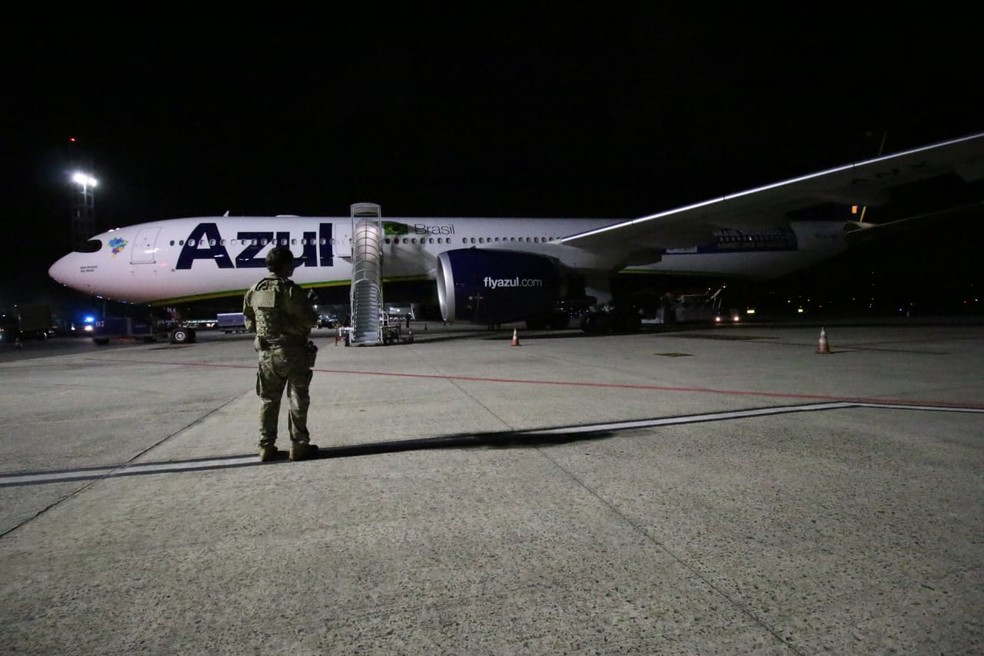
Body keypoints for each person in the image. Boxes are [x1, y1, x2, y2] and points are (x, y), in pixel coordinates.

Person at [243, 246, 320, 462]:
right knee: (297, 397)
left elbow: (249, 321)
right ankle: (299, 445)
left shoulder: (255, 289)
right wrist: (309, 303)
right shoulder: (291, 290)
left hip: (266, 353)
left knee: (268, 400)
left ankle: (266, 447)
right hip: (292, 351)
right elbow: (309, 320)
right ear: (286, 265)